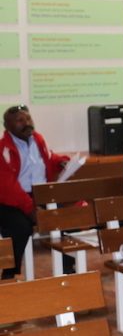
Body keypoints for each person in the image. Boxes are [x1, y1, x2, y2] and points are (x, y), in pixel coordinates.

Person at [1, 105, 70, 278]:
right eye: (20, 120)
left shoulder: (37, 139)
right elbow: (9, 187)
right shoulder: (3, 149)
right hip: (11, 200)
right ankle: (9, 273)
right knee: (20, 228)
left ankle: (67, 267)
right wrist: (31, 209)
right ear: (7, 126)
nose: (27, 123)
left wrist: (60, 162)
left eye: (28, 118)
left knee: (65, 216)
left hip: (40, 195)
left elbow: (47, 158)